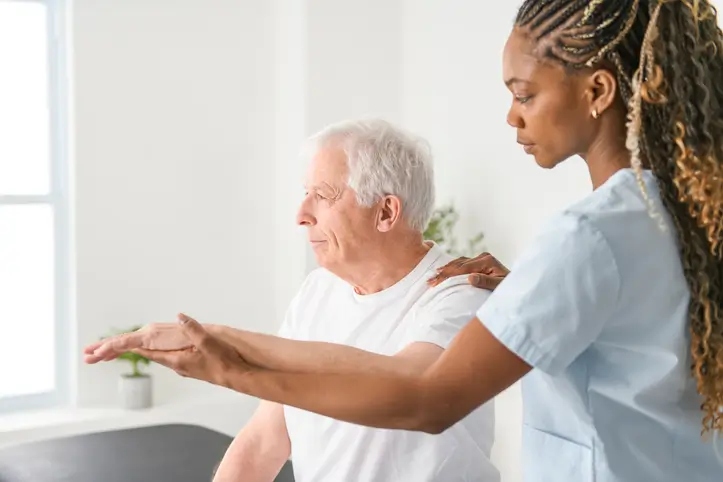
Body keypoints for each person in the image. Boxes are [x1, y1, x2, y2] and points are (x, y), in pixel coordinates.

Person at [86, 1, 723, 480]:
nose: (511, 116)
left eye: (524, 93)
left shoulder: (586, 238)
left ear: (598, 91)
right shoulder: (680, 217)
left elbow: (425, 397)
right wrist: (226, 342)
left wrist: (231, 365)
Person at [86, 119, 500, 482]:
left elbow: (411, 386)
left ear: (386, 212)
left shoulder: (460, 292)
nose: (301, 213)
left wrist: (226, 349)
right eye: (306, 193)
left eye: (322, 194)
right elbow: (267, 439)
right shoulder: (318, 290)